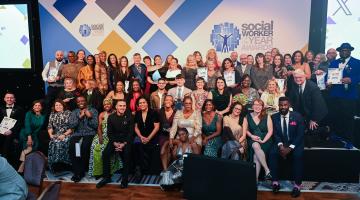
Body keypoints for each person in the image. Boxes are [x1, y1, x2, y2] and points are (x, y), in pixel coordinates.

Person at [269, 97, 305, 198]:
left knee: (298, 156)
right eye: (281, 105)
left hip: (295, 143)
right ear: (278, 105)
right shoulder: (274, 117)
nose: (283, 107)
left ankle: (297, 185)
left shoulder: (298, 116)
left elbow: (300, 134)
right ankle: (275, 182)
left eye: (285, 105)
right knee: (272, 154)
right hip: (281, 143)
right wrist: (280, 146)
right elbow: (275, 134)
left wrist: (290, 148)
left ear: (289, 105)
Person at [327, 43, 360, 146]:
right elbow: (328, 76)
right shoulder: (334, 63)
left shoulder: (357, 62)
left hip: (349, 96)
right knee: (336, 117)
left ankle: (349, 140)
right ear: (339, 52)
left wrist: (351, 79)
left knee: (348, 118)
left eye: (346, 50)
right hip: (335, 95)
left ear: (350, 51)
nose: (344, 52)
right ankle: (336, 137)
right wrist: (327, 82)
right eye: (342, 50)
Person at [96, 100, 133, 189]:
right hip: (114, 141)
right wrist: (115, 143)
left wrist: (124, 144)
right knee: (105, 154)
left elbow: (131, 133)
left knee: (127, 155)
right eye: (120, 106)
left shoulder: (130, 117)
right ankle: (106, 178)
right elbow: (110, 133)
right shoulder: (111, 117)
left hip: (125, 141)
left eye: (124, 105)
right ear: (116, 107)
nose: (122, 107)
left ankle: (124, 180)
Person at [288, 69, 328, 143]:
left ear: (305, 76)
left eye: (300, 77)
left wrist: (313, 119)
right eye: (295, 77)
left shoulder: (313, 87)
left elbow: (318, 105)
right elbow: (290, 100)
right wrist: (291, 113)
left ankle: (324, 129)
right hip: (302, 114)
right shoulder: (294, 85)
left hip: (316, 114)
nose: (297, 79)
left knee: (312, 136)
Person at [88, 98, 121, 177]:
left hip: (112, 135)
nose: (107, 106)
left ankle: (108, 171)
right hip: (102, 134)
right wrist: (100, 136)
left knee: (103, 149)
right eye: (105, 104)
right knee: (94, 147)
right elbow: (99, 127)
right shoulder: (102, 114)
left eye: (108, 104)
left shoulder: (115, 113)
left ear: (112, 105)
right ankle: (98, 172)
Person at [69, 96, 98, 182]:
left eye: (82, 100)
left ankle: (81, 171)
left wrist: (90, 117)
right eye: (78, 101)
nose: (81, 102)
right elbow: (72, 125)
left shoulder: (93, 110)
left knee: (85, 147)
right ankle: (77, 172)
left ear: (86, 101)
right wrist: (80, 117)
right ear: (77, 103)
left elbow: (95, 125)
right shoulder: (74, 112)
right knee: (74, 148)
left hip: (89, 133)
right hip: (78, 134)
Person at [242, 99, 273, 182]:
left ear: (262, 107)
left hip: (265, 140)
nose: (257, 107)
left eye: (260, 105)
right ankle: (267, 170)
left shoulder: (267, 116)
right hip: (252, 139)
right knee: (255, 145)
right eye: (256, 104)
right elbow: (245, 130)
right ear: (252, 106)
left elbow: (270, 131)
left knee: (256, 155)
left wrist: (263, 141)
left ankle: (255, 181)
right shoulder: (247, 116)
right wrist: (251, 136)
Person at [133, 96, 160, 178]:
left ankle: (146, 169)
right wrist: (141, 136)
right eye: (140, 103)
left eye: (144, 102)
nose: (142, 104)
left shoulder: (154, 113)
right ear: (138, 105)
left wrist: (148, 138)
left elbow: (157, 127)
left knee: (151, 146)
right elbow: (136, 127)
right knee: (136, 145)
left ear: (147, 103)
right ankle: (139, 169)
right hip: (141, 136)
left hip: (152, 135)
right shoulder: (137, 113)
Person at [18, 100, 46, 173]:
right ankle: (22, 168)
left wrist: (33, 137)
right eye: (35, 105)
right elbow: (27, 125)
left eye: (39, 105)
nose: (37, 107)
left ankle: (22, 167)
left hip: (35, 134)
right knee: (29, 148)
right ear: (33, 107)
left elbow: (40, 128)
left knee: (34, 147)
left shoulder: (43, 116)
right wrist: (29, 137)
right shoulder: (29, 114)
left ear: (41, 107)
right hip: (26, 133)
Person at [0, 92, 25, 168]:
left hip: (14, 131)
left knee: (9, 138)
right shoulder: (1, 108)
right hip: (1, 130)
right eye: (7, 97)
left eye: (11, 98)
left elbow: (20, 122)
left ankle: (5, 158)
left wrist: (11, 130)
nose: (9, 99)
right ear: (4, 99)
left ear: (14, 99)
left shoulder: (19, 109)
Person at [47, 99, 72, 173]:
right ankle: (54, 165)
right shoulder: (52, 114)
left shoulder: (68, 113)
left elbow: (72, 128)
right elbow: (50, 126)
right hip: (56, 133)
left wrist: (64, 135)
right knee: (52, 142)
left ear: (63, 106)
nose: (58, 106)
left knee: (61, 142)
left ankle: (64, 165)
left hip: (67, 133)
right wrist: (50, 134)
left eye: (60, 105)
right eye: (56, 105)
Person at [159, 95, 176, 170]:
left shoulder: (176, 113)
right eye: (166, 100)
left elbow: (177, 126)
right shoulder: (159, 111)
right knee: (163, 152)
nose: (168, 101)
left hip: (173, 136)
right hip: (162, 135)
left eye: (170, 100)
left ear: (172, 103)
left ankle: (166, 170)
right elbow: (157, 125)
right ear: (164, 101)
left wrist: (171, 132)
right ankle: (165, 170)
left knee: (170, 152)